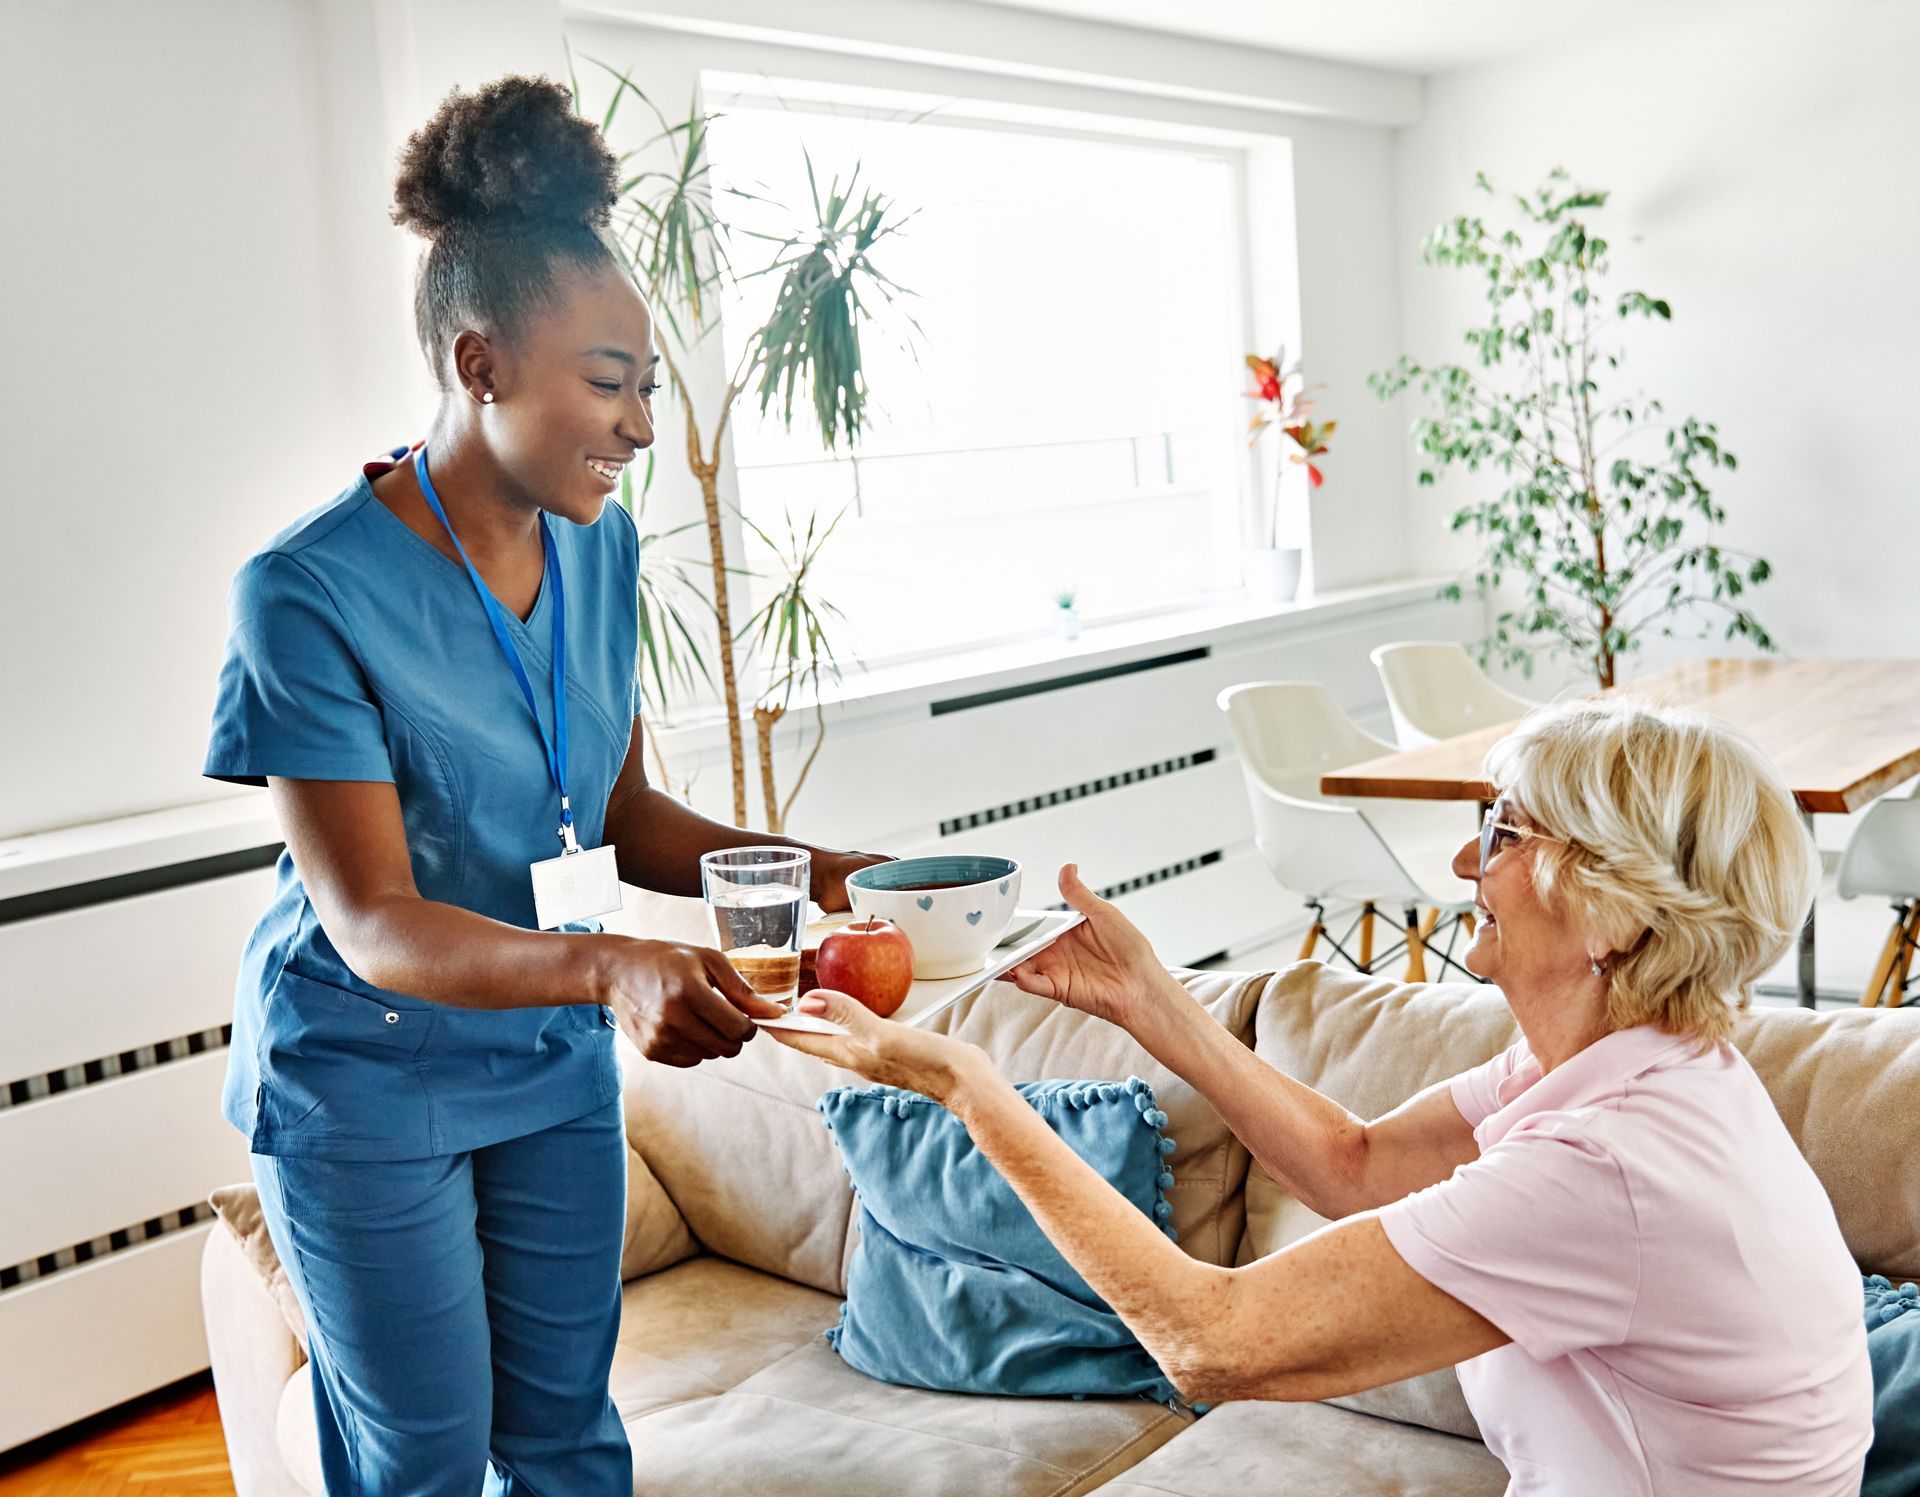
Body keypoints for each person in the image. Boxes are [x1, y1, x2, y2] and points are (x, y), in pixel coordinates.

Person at [203, 76, 885, 1495]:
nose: (639, 424)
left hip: (544, 1059)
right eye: (609, 382)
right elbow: (374, 921)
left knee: (571, 1440)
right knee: (426, 1458)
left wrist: (838, 874)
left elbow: (626, 818)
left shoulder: (601, 552)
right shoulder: (307, 590)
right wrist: (613, 969)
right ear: (482, 362)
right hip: (365, 1078)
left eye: (648, 387)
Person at [776, 698, 1873, 1496]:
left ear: (1615, 914)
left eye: (1503, 833)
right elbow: (1356, 1165)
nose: (1459, 861)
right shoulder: (1621, 1064)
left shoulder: (1609, 1169)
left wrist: (966, 1087)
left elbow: (1213, 1343)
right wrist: (1149, 1000)